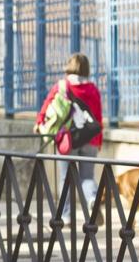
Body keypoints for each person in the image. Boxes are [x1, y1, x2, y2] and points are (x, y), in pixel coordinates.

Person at [36, 53, 103, 210]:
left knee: (66, 178)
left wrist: (39, 122)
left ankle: (65, 215)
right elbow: (98, 117)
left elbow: (46, 106)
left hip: (68, 139)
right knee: (87, 177)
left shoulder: (62, 86)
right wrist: (99, 141)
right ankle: (92, 198)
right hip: (90, 139)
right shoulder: (93, 89)